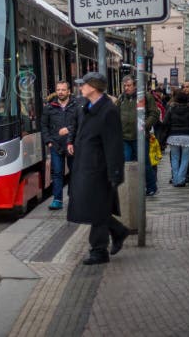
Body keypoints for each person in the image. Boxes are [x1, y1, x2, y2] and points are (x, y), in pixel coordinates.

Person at [67, 72, 128, 265]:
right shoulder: (87, 107)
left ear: (93, 87)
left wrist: (115, 172)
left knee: (96, 208)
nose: (80, 88)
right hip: (85, 166)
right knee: (92, 207)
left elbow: (113, 144)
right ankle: (118, 231)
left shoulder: (108, 110)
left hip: (99, 169)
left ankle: (99, 250)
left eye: (83, 84)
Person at [116, 75, 160, 196]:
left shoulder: (145, 96)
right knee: (127, 163)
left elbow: (154, 113)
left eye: (129, 85)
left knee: (144, 163)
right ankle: (131, 188)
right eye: (124, 85)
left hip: (140, 136)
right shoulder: (121, 98)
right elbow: (115, 114)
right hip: (125, 137)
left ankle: (151, 186)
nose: (126, 88)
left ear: (134, 86)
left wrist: (145, 125)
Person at [41, 81, 77, 210]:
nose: (60, 92)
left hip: (73, 145)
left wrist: (68, 129)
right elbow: (44, 126)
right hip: (56, 145)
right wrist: (48, 142)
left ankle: (74, 198)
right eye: (58, 89)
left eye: (63, 89)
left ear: (69, 91)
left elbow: (81, 123)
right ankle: (57, 200)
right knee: (57, 173)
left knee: (75, 172)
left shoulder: (76, 105)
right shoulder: (49, 107)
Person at [161, 91, 189, 187]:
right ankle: (181, 180)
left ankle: (175, 179)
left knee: (174, 158)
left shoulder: (171, 109)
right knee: (185, 159)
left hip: (173, 136)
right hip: (187, 136)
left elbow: (165, 122)